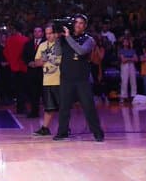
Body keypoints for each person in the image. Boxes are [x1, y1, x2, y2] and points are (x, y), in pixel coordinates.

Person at [54, 14, 105, 142]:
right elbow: (57, 53)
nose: (78, 25)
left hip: (82, 79)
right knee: (64, 107)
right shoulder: (64, 37)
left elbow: (81, 51)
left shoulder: (89, 39)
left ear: (85, 25)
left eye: (81, 23)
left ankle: (97, 133)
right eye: (76, 22)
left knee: (88, 107)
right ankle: (62, 132)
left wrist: (68, 37)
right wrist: (57, 39)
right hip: (66, 78)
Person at [30, 22, 62, 136]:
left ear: (56, 33)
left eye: (51, 33)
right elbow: (37, 62)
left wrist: (45, 58)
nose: (48, 36)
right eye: (47, 33)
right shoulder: (43, 45)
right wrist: (45, 58)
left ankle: (64, 128)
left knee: (62, 107)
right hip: (47, 80)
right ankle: (45, 128)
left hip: (60, 80)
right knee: (49, 107)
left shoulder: (61, 44)